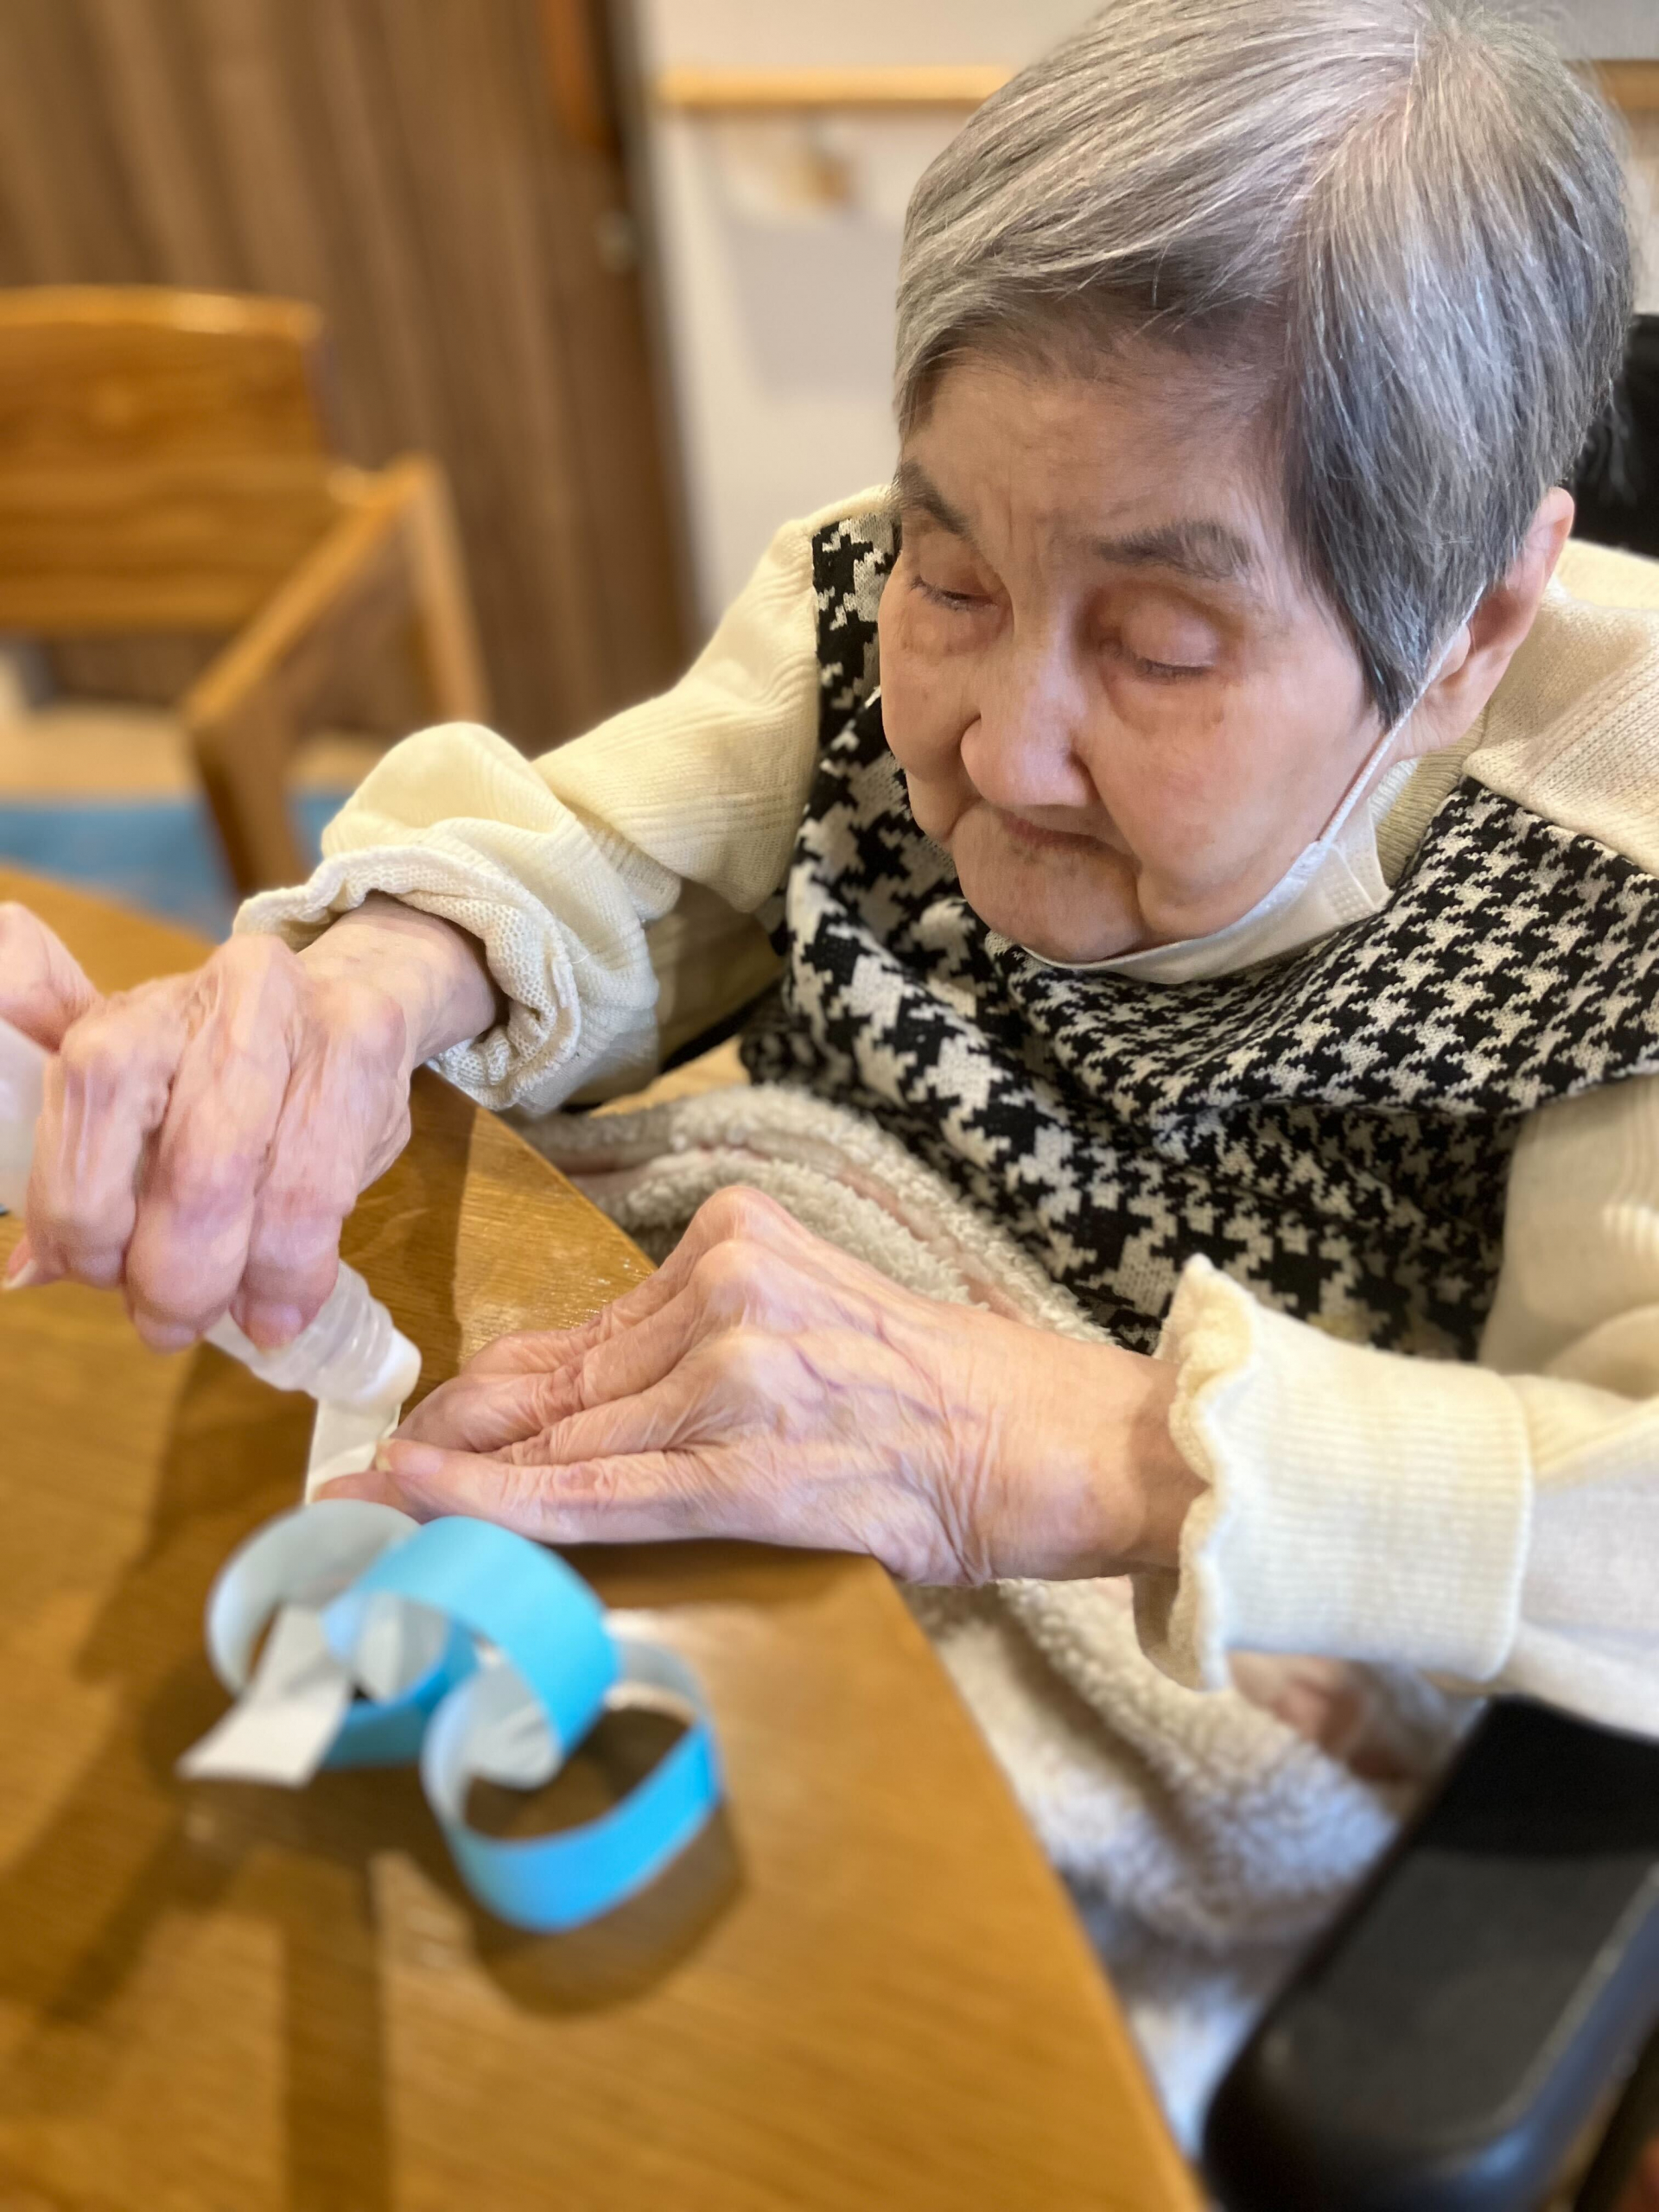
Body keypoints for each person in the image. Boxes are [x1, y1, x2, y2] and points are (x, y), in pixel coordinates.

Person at [4, 0, 1656, 2132]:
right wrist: (374, 977)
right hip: (703, 1519)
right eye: (958, 572)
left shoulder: (1613, 878)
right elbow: (614, 860)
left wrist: (1089, 1442)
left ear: (1475, 629)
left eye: (1159, 645)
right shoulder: (874, 597)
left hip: (1102, 1660)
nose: (998, 740)